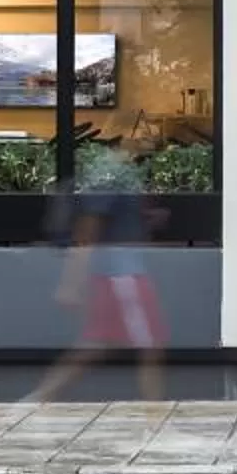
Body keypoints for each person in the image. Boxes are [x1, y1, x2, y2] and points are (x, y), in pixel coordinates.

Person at [28, 138, 166, 404]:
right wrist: (71, 283)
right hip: (123, 276)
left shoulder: (121, 173)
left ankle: (39, 398)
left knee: (97, 344)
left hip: (119, 273)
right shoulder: (109, 173)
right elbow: (87, 231)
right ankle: (155, 416)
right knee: (149, 344)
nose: (150, 141)